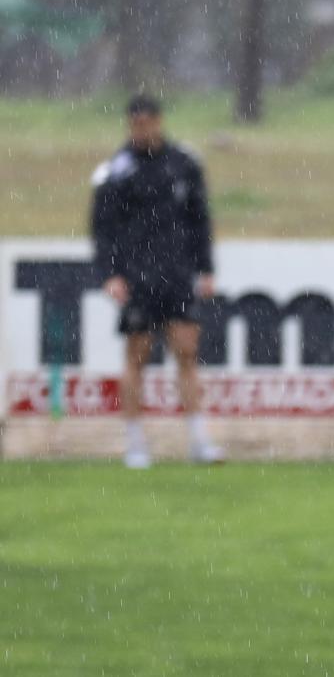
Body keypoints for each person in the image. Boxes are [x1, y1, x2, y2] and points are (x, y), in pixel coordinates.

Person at [90, 94, 223, 469]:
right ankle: (135, 443)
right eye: (135, 125)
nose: (142, 131)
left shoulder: (184, 164)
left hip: (178, 274)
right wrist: (109, 274)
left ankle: (198, 439)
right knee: (137, 355)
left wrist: (206, 268)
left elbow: (200, 219)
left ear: (159, 122)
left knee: (186, 351)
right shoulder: (116, 170)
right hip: (137, 277)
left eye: (147, 123)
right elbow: (103, 230)